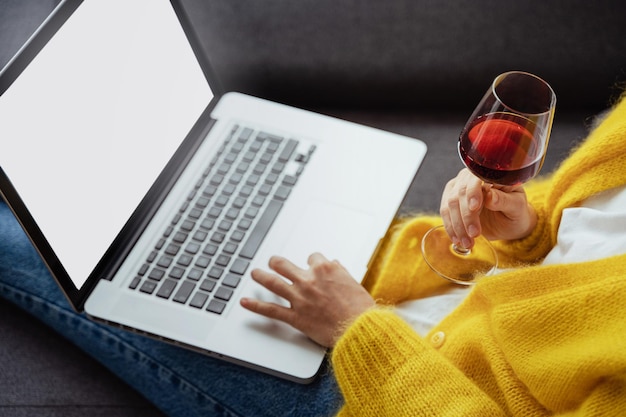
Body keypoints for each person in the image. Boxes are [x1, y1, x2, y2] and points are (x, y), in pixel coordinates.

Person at [2, 95, 626, 416]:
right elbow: (580, 242)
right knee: (169, 186)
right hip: (400, 295)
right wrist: (525, 232)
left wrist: (358, 330)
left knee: (59, 260)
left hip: (374, 390)